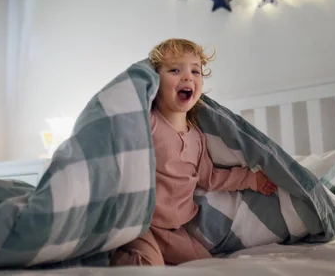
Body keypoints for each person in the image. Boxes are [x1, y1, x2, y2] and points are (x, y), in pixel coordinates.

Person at [110, 38, 277, 267]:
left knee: (209, 266)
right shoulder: (148, 123)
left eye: (195, 71)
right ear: (155, 81)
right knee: (148, 266)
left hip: (173, 230)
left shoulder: (197, 137)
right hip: (140, 225)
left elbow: (209, 178)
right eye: (175, 70)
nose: (188, 77)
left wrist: (249, 179)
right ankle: (110, 255)